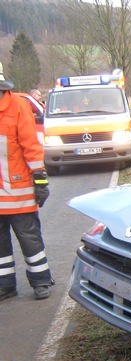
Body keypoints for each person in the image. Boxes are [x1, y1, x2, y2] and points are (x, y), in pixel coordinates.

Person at [0, 62, 54, 301]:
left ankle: (41, 281)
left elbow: (31, 147)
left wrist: (40, 181)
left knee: (29, 239)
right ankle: (5, 286)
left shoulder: (18, 106)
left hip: (18, 192)